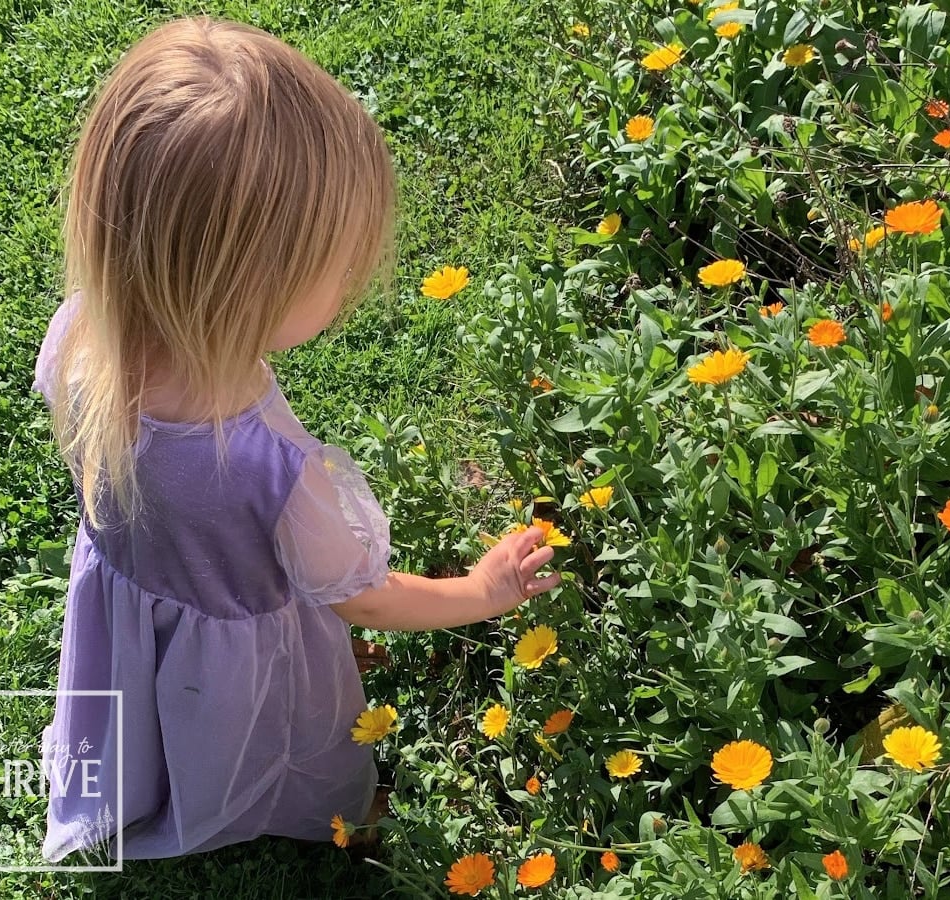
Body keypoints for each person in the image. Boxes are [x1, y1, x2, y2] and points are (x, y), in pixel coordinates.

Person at [32, 15, 561, 863]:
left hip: (132, 603)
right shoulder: (274, 472)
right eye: (336, 268)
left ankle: (138, 778)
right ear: (246, 291)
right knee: (275, 740)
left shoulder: (78, 339)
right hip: (237, 650)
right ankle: (289, 807)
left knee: (152, 707)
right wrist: (480, 590)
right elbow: (365, 600)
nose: (352, 283)